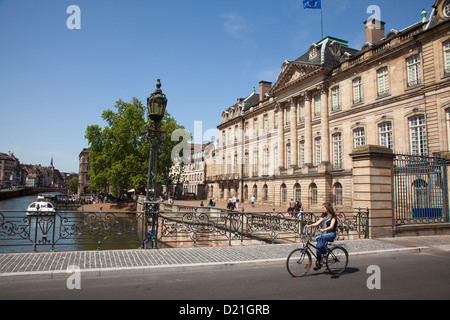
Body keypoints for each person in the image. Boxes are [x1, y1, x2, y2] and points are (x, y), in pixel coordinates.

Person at [308, 203, 337, 270]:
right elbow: (317, 223)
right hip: (324, 234)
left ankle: (325, 252)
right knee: (318, 247)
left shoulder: (333, 216)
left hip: (331, 234)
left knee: (318, 238)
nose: (322, 209)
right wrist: (309, 225)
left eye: (323, 207)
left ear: (327, 208)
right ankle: (319, 262)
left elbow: (331, 226)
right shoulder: (324, 216)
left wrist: (324, 229)